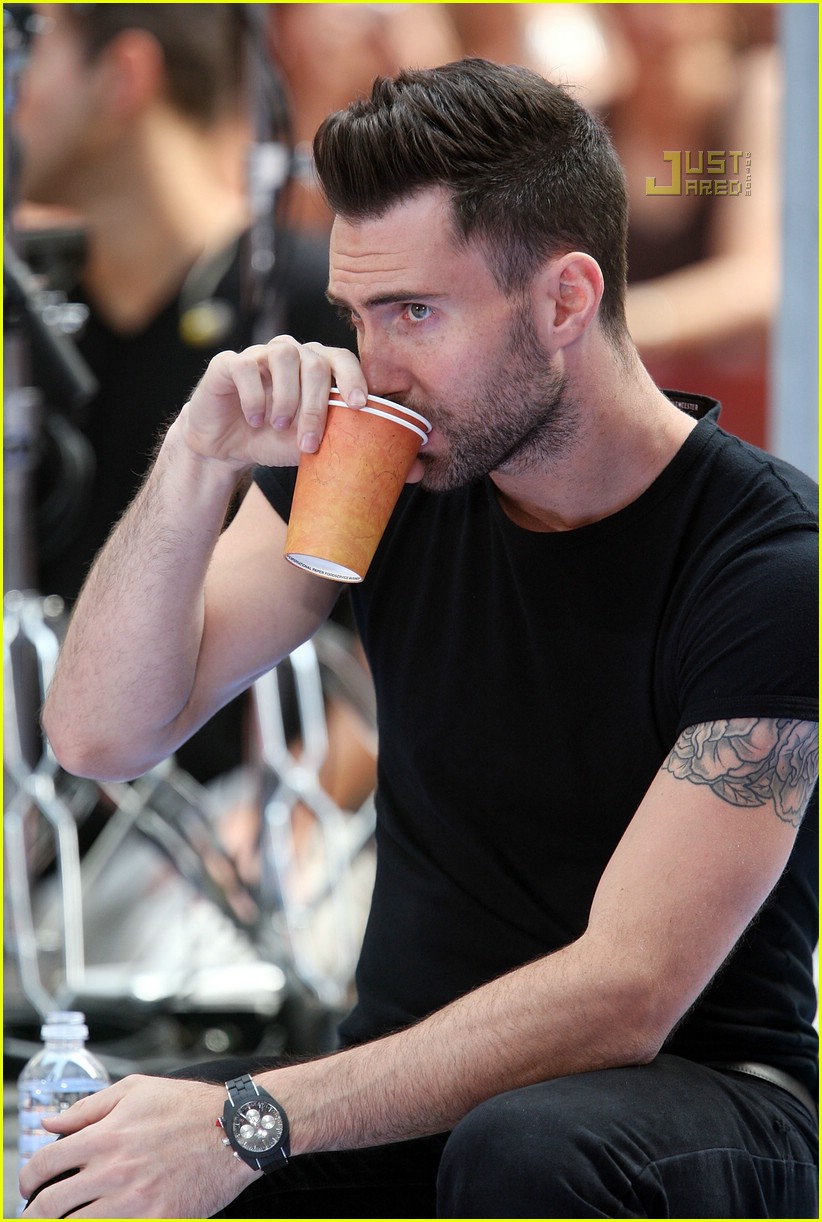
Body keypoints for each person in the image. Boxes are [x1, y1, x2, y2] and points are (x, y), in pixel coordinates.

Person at [26, 58, 817, 1219]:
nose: (374, 366)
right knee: (94, 1153)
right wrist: (197, 457)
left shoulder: (771, 562)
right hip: (403, 1085)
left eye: (414, 313)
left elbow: (628, 993)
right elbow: (99, 735)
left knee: (522, 1149)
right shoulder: (388, 471)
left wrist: (257, 1115)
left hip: (701, 1096)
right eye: (358, 316)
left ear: (565, 301)